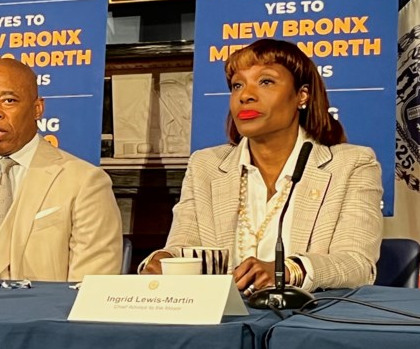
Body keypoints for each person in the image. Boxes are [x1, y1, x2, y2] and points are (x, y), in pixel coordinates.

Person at [139, 38, 383, 293]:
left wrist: (286, 271)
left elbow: (357, 264)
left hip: (305, 319)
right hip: (222, 321)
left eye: (265, 81)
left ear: (302, 95)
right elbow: (183, 248)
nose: (246, 95)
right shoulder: (206, 165)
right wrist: (162, 260)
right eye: (237, 85)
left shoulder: (351, 164)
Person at [0, 58, 123, 282]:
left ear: (37, 108)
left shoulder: (85, 183)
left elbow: (91, 287)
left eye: (8, 101)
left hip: (46, 315)